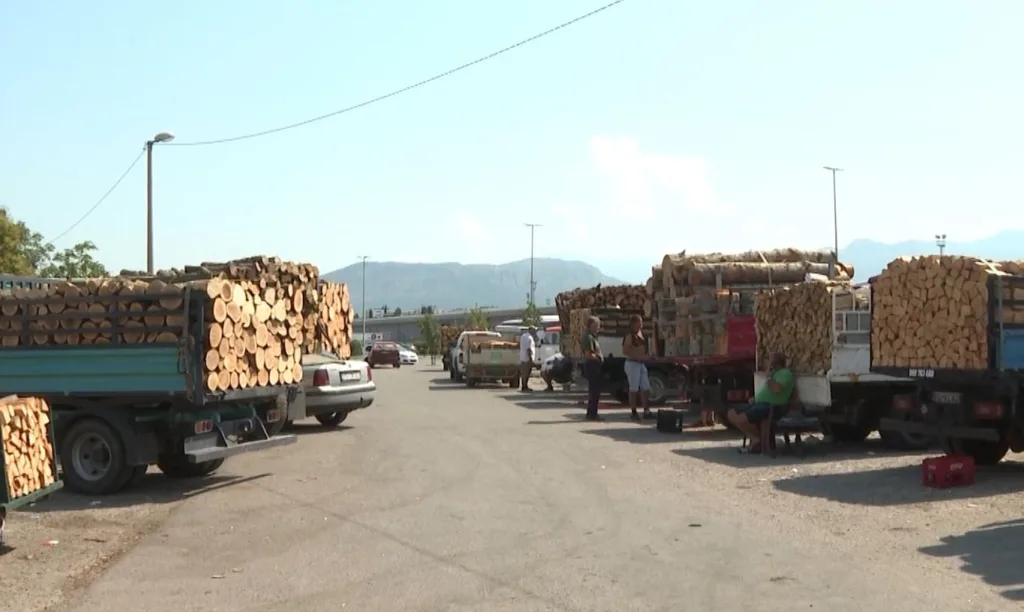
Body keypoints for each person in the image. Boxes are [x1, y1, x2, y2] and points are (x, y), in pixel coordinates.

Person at [726, 352, 795, 454]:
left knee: (741, 419)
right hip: (759, 403)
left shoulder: (786, 374)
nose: (768, 363)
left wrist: (769, 375)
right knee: (731, 413)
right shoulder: (774, 373)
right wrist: (755, 398)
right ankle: (756, 438)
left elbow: (776, 389)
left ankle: (757, 441)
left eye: (770, 361)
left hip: (772, 407)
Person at [621, 314, 652, 421]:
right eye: (639, 322)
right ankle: (633, 411)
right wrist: (637, 356)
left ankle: (646, 410)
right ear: (634, 323)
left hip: (641, 363)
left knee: (646, 387)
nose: (641, 325)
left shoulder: (640, 334)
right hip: (632, 363)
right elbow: (625, 351)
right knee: (633, 388)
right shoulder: (630, 336)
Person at [581, 316, 604, 421]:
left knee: (595, 391)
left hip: (594, 365)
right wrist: (598, 358)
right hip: (592, 365)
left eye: (598, 326)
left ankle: (591, 413)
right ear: (589, 326)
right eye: (595, 326)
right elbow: (588, 354)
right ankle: (592, 414)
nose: (597, 328)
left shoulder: (592, 336)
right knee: (594, 391)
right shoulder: (588, 337)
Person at [519, 326, 538, 391]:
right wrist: (531, 359)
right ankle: (525, 387)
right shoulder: (529, 338)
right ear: (531, 330)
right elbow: (529, 349)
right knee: (526, 373)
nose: (535, 332)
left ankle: (524, 386)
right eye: (534, 330)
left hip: (522, 357)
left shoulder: (523, 336)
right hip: (527, 358)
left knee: (524, 373)